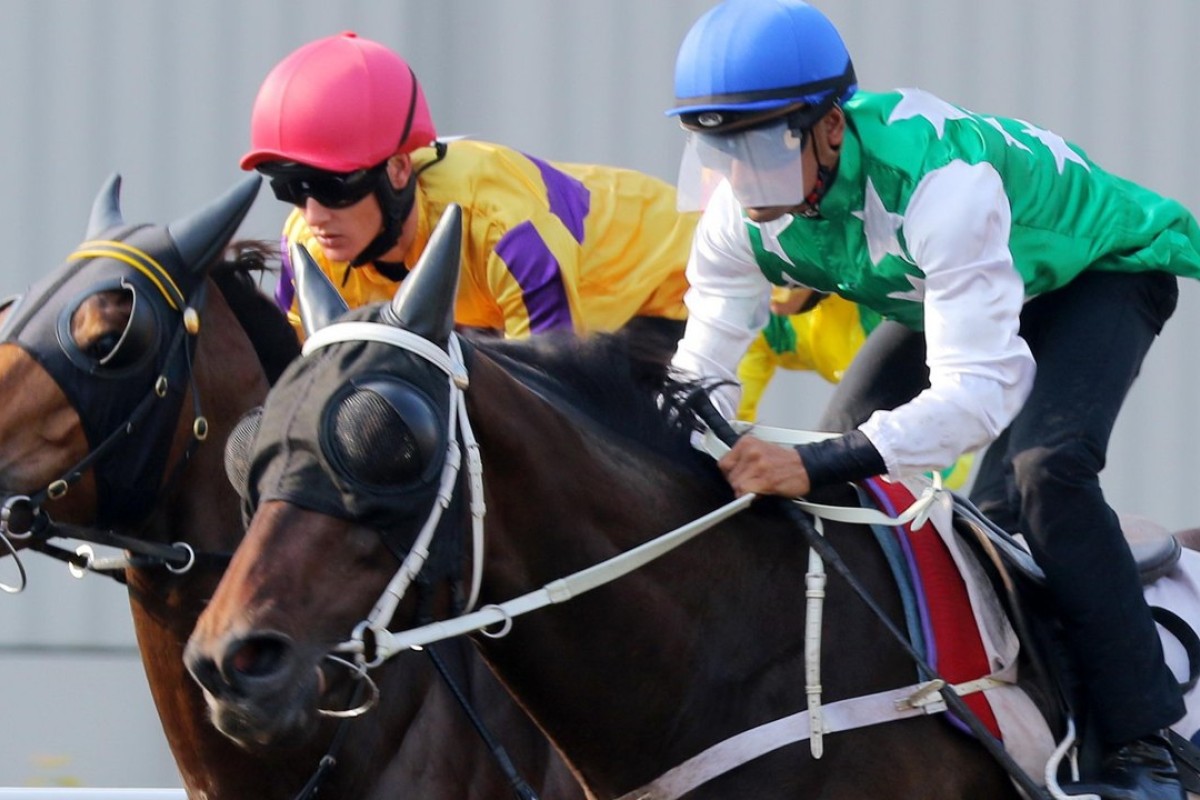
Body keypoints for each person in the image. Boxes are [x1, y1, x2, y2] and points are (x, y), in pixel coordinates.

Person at [666, 1, 1200, 798]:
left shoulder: (940, 184)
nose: (740, 178)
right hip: (957, 287)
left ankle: (1149, 741)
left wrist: (815, 462)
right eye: (719, 149)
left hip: (1097, 274)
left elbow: (980, 395)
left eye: (760, 146)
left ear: (831, 130)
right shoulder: (737, 216)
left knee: (1040, 476)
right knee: (843, 459)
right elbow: (701, 364)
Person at [242, 31, 696, 343]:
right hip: (522, 319)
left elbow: (549, 409)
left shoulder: (506, 233)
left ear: (399, 170)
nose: (313, 214)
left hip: (677, 288)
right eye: (291, 188)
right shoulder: (307, 248)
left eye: (333, 186)